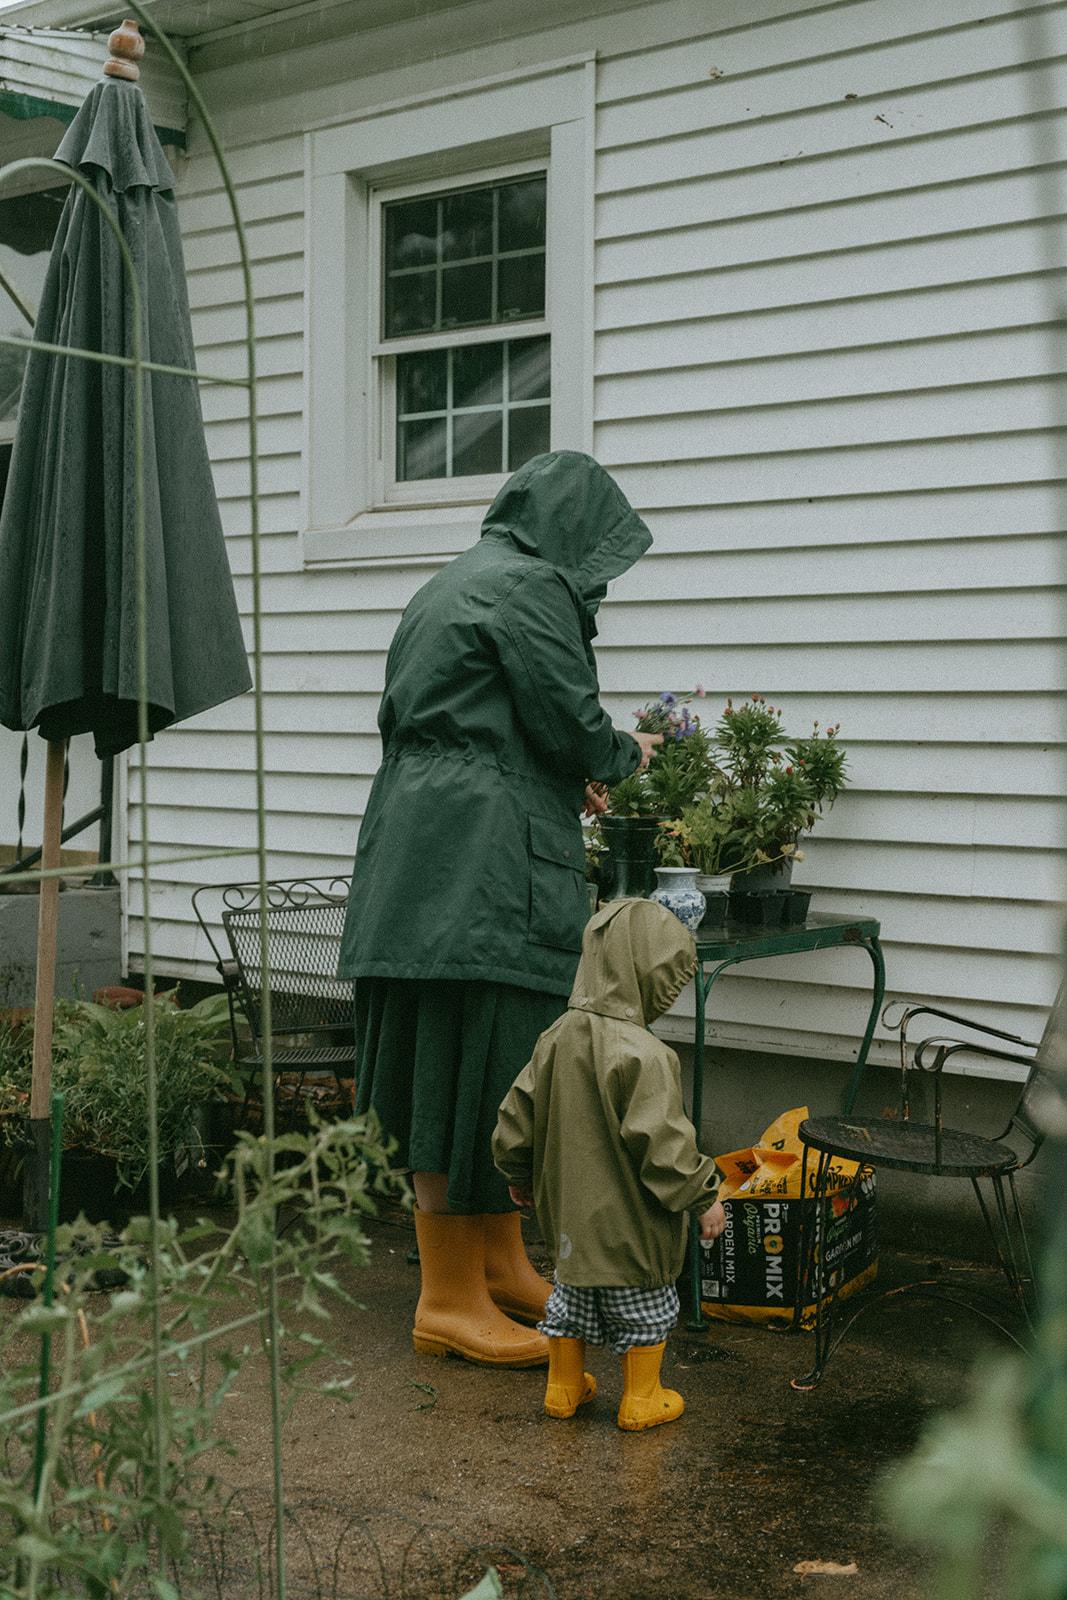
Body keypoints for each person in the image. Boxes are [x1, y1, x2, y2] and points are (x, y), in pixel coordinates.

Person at [337, 451, 662, 1369]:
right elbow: (569, 722)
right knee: (470, 1071)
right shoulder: (530, 589)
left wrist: (564, 770)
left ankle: (499, 1266)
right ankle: (446, 1300)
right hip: (479, 866)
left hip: (423, 851)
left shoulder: (455, 581)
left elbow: (481, 720)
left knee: (471, 1064)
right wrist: (619, 754)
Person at [492, 897, 726, 1429]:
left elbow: (516, 1114)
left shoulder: (554, 1038)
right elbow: (664, 1148)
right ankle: (642, 1397)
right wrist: (704, 1195)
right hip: (633, 1236)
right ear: (650, 973)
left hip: (570, 1229)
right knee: (643, 1314)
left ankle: (563, 1388)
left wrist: (517, 1171)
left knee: (569, 1305)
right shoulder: (645, 1055)